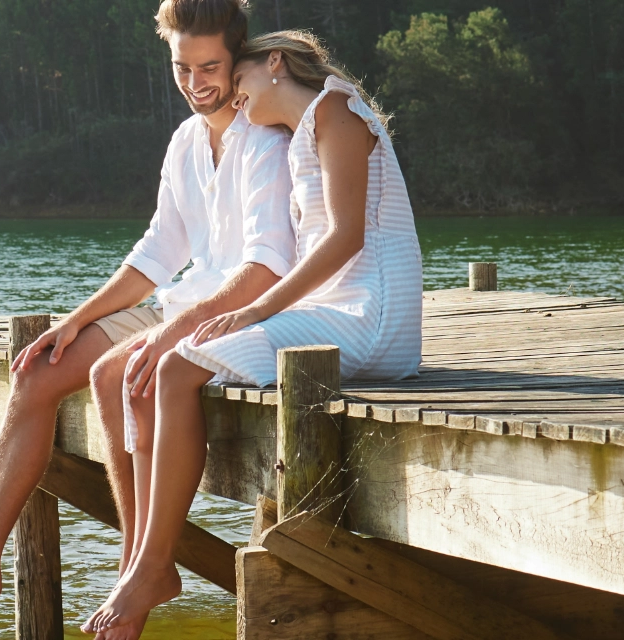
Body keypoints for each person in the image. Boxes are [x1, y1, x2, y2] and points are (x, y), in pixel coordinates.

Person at [0, 0, 297, 608]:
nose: (194, 83)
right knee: (37, 370)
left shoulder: (266, 138)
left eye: (209, 67)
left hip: (242, 313)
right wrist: (77, 320)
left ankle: (139, 567)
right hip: (180, 304)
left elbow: (267, 269)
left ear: (238, 59)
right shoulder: (185, 141)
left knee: (117, 374)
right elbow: (158, 251)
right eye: (182, 68)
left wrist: (166, 334)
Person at [81, 29, 424, 639]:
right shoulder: (302, 134)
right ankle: (148, 564)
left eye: (238, 81)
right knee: (168, 364)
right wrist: (256, 311)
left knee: (176, 365)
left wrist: (255, 310)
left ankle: (153, 565)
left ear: (274, 63)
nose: (235, 99)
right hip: (334, 311)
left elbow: (346, 237)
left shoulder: (338, 110)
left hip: (369, 317)